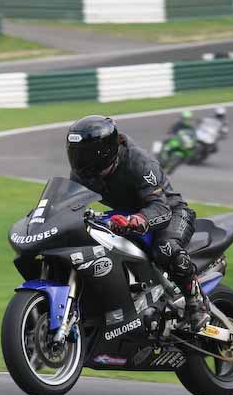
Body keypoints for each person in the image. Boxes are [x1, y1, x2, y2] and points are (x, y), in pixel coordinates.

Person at [66, 114, 210, 332]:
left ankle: (196, 303)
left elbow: (160, 208)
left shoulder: (138, 162)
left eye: (84, 153)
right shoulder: (82, 174)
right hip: (124, 216)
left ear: (103, 151)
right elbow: (70, 205)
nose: (79, 160)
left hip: (170, 211)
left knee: (166, 248)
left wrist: (136, 220)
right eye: (75, 153)